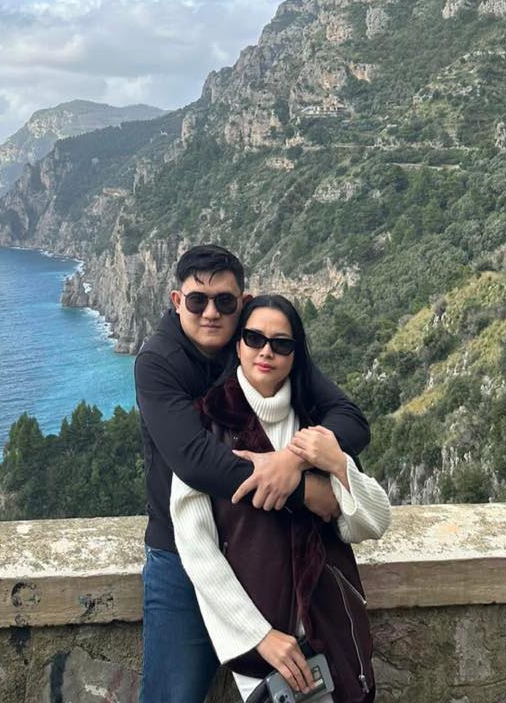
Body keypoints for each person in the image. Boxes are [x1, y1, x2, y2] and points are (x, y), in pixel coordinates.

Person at [136, 245, 370, 703]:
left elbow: (350, 420)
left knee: (295, 685)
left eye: (224, 302)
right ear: (176, 301)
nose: (210, 313)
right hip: (183, 551)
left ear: (241, 303)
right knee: (173, 695)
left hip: (263, 546)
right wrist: (302, 490)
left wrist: (292, 461)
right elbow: (195, 460)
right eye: (197, 300)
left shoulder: (257, 344)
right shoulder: (158, 361)